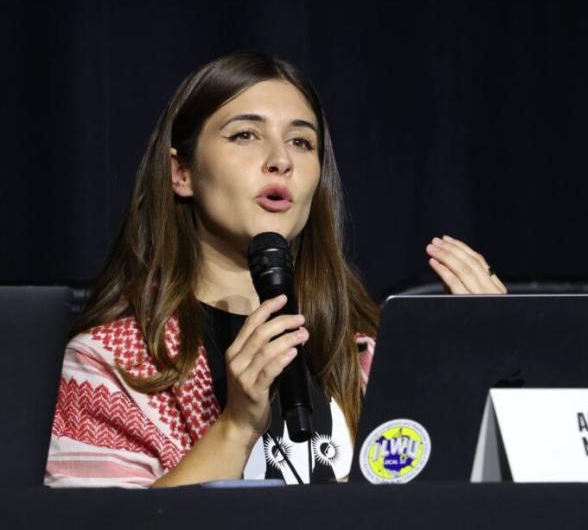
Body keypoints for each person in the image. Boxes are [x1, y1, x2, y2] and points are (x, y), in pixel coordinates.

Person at [45, 52, 506, 488]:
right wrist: (237, 427)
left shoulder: (371, 355)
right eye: (245, 135)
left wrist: (485, 368)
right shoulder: (110, 365)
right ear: (180, 172)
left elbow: (450, 503)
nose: (280, 160)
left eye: (301, 142)